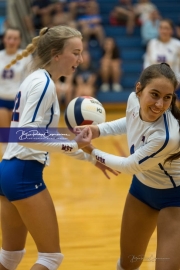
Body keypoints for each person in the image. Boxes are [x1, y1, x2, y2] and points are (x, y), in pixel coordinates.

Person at [0, 25, 117, 270]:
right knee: (50, 258)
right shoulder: (44, 85)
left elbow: (36, 132)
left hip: (7, 173)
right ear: (55, 53)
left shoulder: (34, 79)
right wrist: (72, 144)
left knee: (10, 257)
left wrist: (90, 157)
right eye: (75, 53)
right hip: (23, 175)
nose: (81, 59)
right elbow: (25, 135)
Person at [74, 63, 180, 270]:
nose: (160, 104)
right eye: (155, 94)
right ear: (139, 89)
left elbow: (129, 166)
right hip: (141, 191)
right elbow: (130, 120)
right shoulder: (133, 100)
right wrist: (97, 130)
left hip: (174, 199)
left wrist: (92, 152)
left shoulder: (167, 135)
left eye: (167, 97)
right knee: (128, 264)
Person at [0, 27, 32, 153]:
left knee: (15, 133)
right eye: (9, 38)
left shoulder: (25, 57)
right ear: (4, 39)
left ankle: (14, 150)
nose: (12, 41)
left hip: (18, 99)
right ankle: (5, 150)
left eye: (15, 38)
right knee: (3, 121)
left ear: (19, 40)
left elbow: (30, 79)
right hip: (1, 98)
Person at [144, 19, 180, 83]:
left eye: (166, 28)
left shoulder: (177, 45)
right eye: (161, 28)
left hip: (171, 82)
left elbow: (178, 67)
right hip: (153, 81)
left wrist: (177, 82)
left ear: (171, 30)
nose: (163, 31)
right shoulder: (152, 43)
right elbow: (147, 64)